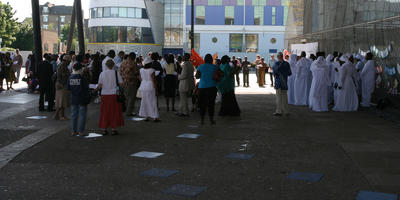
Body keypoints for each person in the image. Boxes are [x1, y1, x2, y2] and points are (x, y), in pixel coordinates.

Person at [98, 59, 125, 135]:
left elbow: (100, 86)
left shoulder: (102, 74)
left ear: (106, 65)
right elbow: (121, 84)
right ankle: (113, 129)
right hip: (114, 95)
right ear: (113, 65)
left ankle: (104, 129)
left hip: (104, 95)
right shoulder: (117, 73)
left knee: (104, 112)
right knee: (114, 112)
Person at [67, 62, 90, 137]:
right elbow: (86, 88)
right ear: (81, 69)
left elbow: (68, 89)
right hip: (82, 99)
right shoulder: (83, 78)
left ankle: (73, 131)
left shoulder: (70, 78)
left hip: (73, 98)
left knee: (74, 115)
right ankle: (81, 131)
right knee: (82, 115)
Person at [195, 54, 218, 125]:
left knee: (202, 104)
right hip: (212, 87)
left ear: (204, 59)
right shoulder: (215, 67)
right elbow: (220, 74)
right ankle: (211, 120)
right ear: (211, 60)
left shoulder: (200, 67)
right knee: (211, 104)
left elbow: (197, 77)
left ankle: (202, 120)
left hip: (202, 87)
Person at [138, 57, 160, 121]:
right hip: (150, 86)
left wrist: (144, 81)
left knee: (144, 101)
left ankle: (146, 116)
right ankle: (155, 117)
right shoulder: (152, 70)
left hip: (143, 86)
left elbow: (140, 78)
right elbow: (154, 81)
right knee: (152, 101)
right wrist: (156, 90)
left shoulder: (141, 70)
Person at [54, 55, 71, 120]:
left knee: (61, 101)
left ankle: (60, 115)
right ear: (66, 61)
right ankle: (60, 115)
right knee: (62, 102)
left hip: (60, 85)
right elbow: (61, 76)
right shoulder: (63, 66)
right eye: (69, 61)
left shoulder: (61, 65)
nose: (69, 63)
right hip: (62, 85)